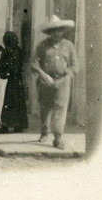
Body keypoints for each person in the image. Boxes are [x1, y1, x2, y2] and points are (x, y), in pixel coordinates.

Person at [31, 16, 78, 149]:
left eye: (59, 30)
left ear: (63, 31)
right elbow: (34, 63)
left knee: (60, 109)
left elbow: (75, 66)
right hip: (45, 82)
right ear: (49, 32)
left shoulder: (69, 46)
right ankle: (44, 132)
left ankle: (58, 137)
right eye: (53, 30)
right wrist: (43, 75)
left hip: (62, 82)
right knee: (45, 108)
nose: (56, 33)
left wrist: (67, 76)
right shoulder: (42, 46)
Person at [0, 31, 29, 133]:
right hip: (17, 80)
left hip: (9, 81)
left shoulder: (7, 51)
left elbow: (1, 65)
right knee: (18, 103)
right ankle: (19, 125)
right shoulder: (19, 50)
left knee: (7, 102)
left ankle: (5, 125)